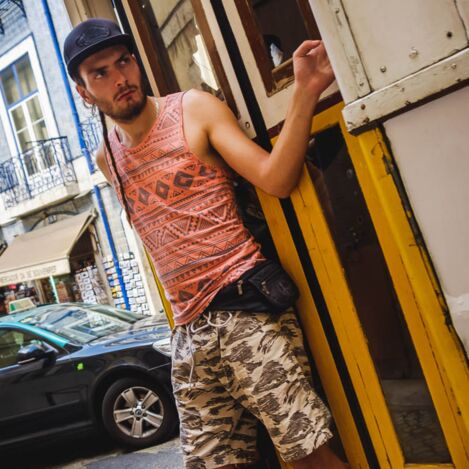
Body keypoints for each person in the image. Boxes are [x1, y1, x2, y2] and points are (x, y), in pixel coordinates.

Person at [63, 18, 346, 469]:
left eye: (124, 61)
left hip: (243, 306)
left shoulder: (192, 109)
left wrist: (305, 91)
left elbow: (275, 177)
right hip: (188, 333)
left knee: (308, 458)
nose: (120, 78)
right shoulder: (107, 158)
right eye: (101, 72)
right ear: (83, 92)